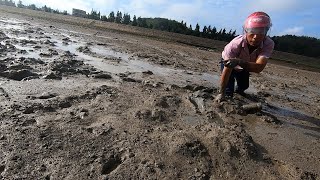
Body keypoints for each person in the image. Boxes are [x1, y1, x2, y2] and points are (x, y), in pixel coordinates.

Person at [214, 11, 274, 102]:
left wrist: (239, 62)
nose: (255, 37)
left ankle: (239, 92)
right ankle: (227, 94)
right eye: (252, 31)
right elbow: (227, 70)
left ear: (266, 32)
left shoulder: (268, 44)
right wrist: (221, 93)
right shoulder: (235, 44)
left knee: (244, 85)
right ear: (246, 31)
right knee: (228, 89)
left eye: (261, 32)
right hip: (229, 62)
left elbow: (259, 67)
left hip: (245, 64)